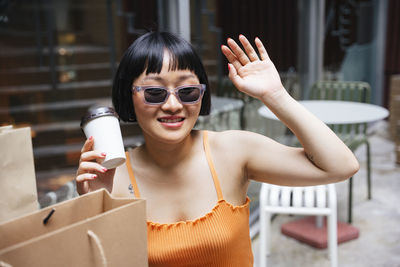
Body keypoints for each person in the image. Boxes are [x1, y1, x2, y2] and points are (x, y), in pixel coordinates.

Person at [76, 31, 359, 266]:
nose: (173, 105)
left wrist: (275, 95)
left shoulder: (233, 151)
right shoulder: (112, 176)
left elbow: (340, 166)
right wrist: (95, 206)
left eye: (187, 91)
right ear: (129, 96)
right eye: (154, 92)